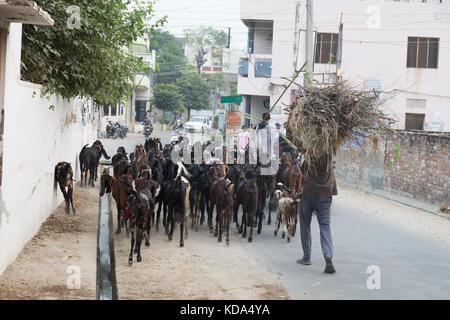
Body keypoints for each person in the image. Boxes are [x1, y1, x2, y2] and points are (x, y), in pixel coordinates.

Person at [297, 153, 337, 274]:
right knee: (325, 226)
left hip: (308, 194)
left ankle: (307, 256)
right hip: (325, 195)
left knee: (305, 224)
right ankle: (328, 256)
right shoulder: (329, 159)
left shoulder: (310, 156)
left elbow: (302, 174)